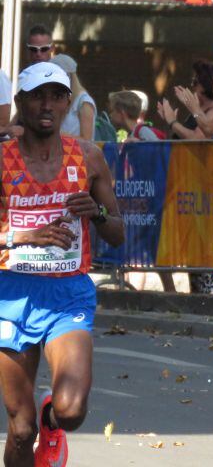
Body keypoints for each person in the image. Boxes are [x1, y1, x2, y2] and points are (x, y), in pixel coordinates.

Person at [0, 62, 124, 467]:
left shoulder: (88, 157)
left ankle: (50, 420)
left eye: (56, 95)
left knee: (71, 409)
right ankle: (33, 429)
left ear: (68, 102)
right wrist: (21, 237)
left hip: (66, 294)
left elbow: (118, 233)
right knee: (19, 431)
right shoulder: (1, 159)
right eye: (38, 95)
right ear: (21, 101)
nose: (47, 104)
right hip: (8, 295)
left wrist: (99, 214)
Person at [49, 54, 96, 141]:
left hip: (77, 153)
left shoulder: (84, 103)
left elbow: (87, 140)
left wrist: (56, 134)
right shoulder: (58, 100)